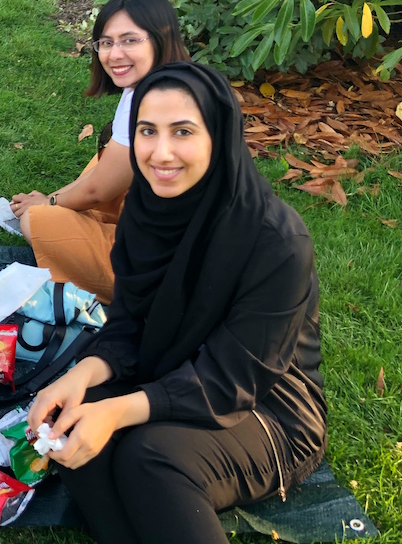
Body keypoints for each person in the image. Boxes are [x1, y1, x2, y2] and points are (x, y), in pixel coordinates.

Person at [27, 62, 327, 544]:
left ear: (219, 135)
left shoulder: (276, 242)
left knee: (150, 455)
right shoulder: (146, 211)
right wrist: (79, 376)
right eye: (147, 131)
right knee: (73, 430)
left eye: (183, 131)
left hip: (268, 411)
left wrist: (119, 410)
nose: (160, 153)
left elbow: (233, 379)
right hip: (167, 370)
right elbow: (128, 323)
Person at [8, 0, 189, 302]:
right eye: (106, 42)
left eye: (130, 40)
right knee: (103, 162)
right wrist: (53, 199)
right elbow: (104, 177)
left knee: (34, 221)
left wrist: (46, 206)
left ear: (160, 39)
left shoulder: (155, 101)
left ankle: (70, 227)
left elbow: (98, 191)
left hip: (158, 270)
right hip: (154, 227)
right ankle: (74, 218)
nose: (114, 54)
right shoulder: (163, 83)